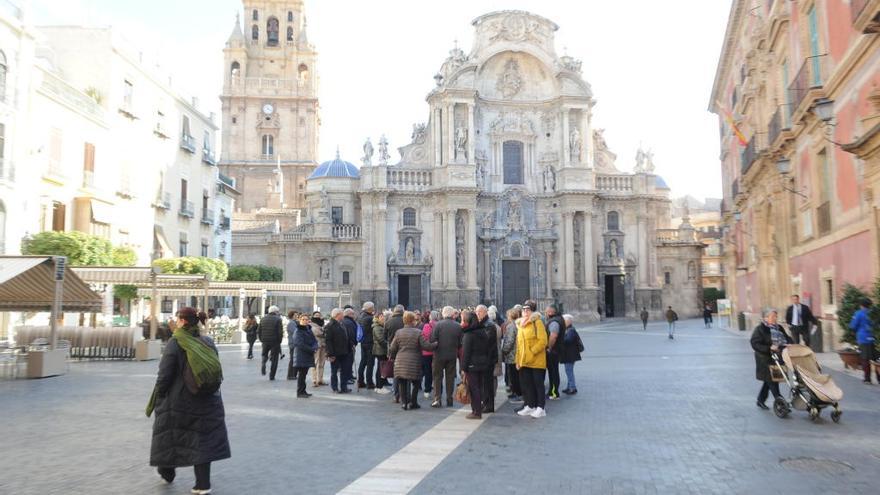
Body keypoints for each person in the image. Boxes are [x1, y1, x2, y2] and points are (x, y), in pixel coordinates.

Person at [147, 308, 229, 495]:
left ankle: (167, 472)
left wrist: (158, 395)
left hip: (180, 401)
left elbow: (165, 375)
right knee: (203, 441)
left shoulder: (176, 342)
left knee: (168, 435)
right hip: (208, 399)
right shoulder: (207, 341)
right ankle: (202, 484)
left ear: (182, 321)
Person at [389, 311, 437, 410]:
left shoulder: (398, 332)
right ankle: (413, 402)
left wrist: (392, 357)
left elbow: (392, 348)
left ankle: (404, 403)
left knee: (402, 382)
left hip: (400, 361)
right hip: (414, 361)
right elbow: (426, 346)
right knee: (416, 382)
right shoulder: (418, 332)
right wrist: (435, 344)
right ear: (413, 321)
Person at [750, 308, 791, 410]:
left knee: (769, 381)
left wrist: (790, 343)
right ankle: (781, 404)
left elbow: (787, 337)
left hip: (778, 358)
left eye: (775, 316)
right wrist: (769, 348)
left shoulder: (779, 328)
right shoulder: (760, 329)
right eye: (772, 316)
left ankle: (760, 400)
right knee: (772, 381)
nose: (775, 318)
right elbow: (754, 343)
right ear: (765, 317)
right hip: (764, 359)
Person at [516, 300, 548, 418]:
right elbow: (519, 345)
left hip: (536, 360)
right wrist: (518, 360)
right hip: (524, 361)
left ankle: (541, 408)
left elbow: (543, 341)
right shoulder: (520, 325)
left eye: (527, 310)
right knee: (527, 385)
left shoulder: (537, 322)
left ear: (532, 311)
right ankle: (530, 406)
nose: (525, 312)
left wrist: (532, 352)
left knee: (538, 385)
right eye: (523, 310)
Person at [430, 306, 463, 408]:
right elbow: (461, 342)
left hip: (438, 355)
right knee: (450, 378)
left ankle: (437, 399)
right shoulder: (458, 326)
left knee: (437, 377)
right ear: (452, 314)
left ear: (443, 314)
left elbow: (432, 340)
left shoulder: (437, 325)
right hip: (451, 355)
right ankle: (449, 399)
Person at [461, 310, 491, 420]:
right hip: (482, 363)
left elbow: (466, 353)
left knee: (474, 388)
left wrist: (463, 368)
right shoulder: (482, 331)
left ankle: (476, 412)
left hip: (472, 365)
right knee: (479, 387)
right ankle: (477, 410)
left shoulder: (469, 334)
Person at [474, 305, 500, 413]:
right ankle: (486, 404)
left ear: (484, 312)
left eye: (479, 312)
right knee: (485, 383)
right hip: (485, 358)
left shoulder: (488, 324)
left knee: (487, 383)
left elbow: (486, 341)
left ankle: (489, 405)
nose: (477, 314)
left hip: (487, 359)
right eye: (476, 312)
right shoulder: (484, 323)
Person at [850, 298, 880, 384]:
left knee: (865, 359)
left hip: (863, 338)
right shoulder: (874, 313)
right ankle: (879, 378)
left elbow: (853, 326)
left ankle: (867, 379)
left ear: (861, 305)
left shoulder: (858, 313)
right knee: (877, 359)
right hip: (875, 338)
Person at [324, 308, 352, 393]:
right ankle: (335, 388)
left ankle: (344, 387)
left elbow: (345, 337)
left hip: (344, 351)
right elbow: (328, 341)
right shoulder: (330, 326)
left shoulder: (341, 324)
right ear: (338, 315)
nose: (343, 315)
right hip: (335, 353)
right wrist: (330, 354)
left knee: (344, 370)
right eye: (342, 314)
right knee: (334, 371)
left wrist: (350, 345)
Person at [291, 313, 319, 397]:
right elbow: (299, 344)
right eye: (303, 319)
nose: (305, 321)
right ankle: (300, 392)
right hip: (301, 355)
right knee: (301, 375)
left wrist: (315, 347)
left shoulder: (308, 329)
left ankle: (303, 391)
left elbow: (314, 341)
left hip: (307, 355)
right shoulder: (298, 331)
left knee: (304, 374)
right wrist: (311, 349)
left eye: (307, 319)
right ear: (300, 320)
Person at [501, 308, 522, 403]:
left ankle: (516, 394)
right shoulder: (519, 324)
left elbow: (509, 341)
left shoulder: (511, 326)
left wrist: (504, 351)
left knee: (513, 376)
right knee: (517, 375)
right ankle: (518, 392)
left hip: (512, 355)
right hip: (518, 354)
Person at [544, 304, 565, 400]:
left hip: (553, 351)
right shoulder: (558, 319)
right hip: (556, 350)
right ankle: (552, 391)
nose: (545, 313)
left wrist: (549, 347)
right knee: (553, 371)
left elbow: (553, 336)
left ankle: (554, 392)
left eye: (546, 311)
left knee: (553, 372)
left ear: (551, 312)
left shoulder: (554, 322)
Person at [385, 305, 406, 401]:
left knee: (396, 372)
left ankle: (396, 394)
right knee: (405, 372)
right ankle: (404, 394)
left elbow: (385, 336)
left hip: (393, 350)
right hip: (404, 349)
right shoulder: (405, 321)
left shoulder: (388, 321)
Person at [560, 314, 583, 395]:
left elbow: (568, 340)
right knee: (568, 371)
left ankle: (572, 388)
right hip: (569, 354)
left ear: (568, 321)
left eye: (564, 321)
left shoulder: (570, 330)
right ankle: (569, 386)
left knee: (569, 371)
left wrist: (560, 338)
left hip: (570, 355)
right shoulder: (568, 329)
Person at [258, 306, 283, 380]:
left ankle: (263, 362)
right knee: (275, 359)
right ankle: (272, 376)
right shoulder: (278, 319)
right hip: (275, 341)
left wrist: (261, 339)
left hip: (265, 340)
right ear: (276, 312)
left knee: (264, 354)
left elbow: (259, 330)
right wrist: (279, 341)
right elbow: (280, 332)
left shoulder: (263, 319)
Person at [357, 302, 376, 390]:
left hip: (363, 342)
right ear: (370, 309)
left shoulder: (360, 316)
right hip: (370, 342)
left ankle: (360, 381)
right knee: (370, 363)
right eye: (373, 308)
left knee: (363, 362)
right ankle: (369, 383)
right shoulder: (370, 318)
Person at [420, 311, 439, 399]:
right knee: (436, 372)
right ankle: (437, 389)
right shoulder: (439, 325)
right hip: (436, 352)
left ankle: (427, 390)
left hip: (426, 352)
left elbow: (424, 338)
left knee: (427, 371)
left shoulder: (426, 326)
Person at [372, 312, 391, 393]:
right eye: (381, 316)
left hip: (380, 350)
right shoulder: (377, 327)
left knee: (380, 368)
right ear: (377, 318)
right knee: (381, 369)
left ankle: (379, 386)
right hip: (380, 350)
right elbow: (381, 340)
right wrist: (388, 346)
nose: (383, 317)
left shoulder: (380, 326)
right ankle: (379, 387)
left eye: (383, 316)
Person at [309, 312, 327, 387]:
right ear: (313, 316)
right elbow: (317, 333)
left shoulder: (323, 324)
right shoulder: (311, 325)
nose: (318, 317)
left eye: (319, 315)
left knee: (322, 363)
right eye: (316, 315)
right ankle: (314, 380)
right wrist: (324, 333)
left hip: (323, 345)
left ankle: (320, 379)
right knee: (315, 362)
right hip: (316, 345)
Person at [342, 308, 359, 386]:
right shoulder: (349, 322)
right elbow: (351, 334)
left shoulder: (346, 321)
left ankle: (349, 376)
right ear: (349, 314)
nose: (354, 315)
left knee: (348, 362)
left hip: (346, 345)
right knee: (348, 362)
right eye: (353, 314)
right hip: (349, 345)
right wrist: (353, 343)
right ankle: (347, 378)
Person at [286, 310, 300, 380]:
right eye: (295, 315)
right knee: (292, 359)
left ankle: (293, 374)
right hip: (293, 344)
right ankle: (290, 375)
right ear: (291, 316)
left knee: (294, 359)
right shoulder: (291, 323)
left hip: (294, 343)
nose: (297, 316)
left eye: (297, 315)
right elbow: (296, 332)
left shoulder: (294, 322)